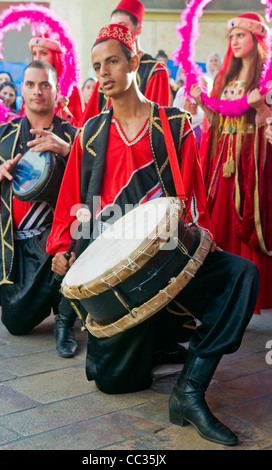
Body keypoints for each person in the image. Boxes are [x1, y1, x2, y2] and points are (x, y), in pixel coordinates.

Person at [47, 24, 259, 446]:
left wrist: (203, 235)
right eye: (96, 66)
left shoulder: (174, 124)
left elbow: (193, 196)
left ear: (134, 62)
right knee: (116, 383)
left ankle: (190, 390)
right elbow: (71, 202)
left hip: (169, 252)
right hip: (119, 271)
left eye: (111, 61)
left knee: (241, 275)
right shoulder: (89, 135)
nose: (103, 73)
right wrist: (60, 249)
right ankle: (157, 341)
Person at [0, 60, 78, 358]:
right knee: (16, 323)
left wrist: (68, 151)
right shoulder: (2, 135)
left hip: (60, 241)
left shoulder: (74, 135)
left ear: (56, 90)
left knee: (68, 257)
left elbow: (97, 183)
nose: (38, 91)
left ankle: (65, 318)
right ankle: (49, 301)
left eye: (45, 84)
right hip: (17, 244)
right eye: (31, 84)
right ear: (22, 89)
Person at [190, 12, 272, 313]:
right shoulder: (226, 78)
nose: (234, 41)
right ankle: (221, 293)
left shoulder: (267, 79)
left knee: (247, 220)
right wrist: (203, 104)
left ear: (256, 38)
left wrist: (261, 106)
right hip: (224, 159)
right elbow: (215, 123)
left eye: (241, 35)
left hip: (251, 163)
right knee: (220, 221)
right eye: (232, 36)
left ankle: (249, 296)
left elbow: (270, 124)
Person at [79, 0, 170, 126]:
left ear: (138, 29)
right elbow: (89, 120)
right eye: (113, 27)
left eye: (122, 26)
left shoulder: (155, 70)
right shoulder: (105, 70)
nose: (116, 32)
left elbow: (155, 123)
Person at [29, 33, 84, 127]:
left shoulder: (71, 89)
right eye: (34, 54)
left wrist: (64, 110)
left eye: (43, 53)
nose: (37, 58)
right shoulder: (30, 85)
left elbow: (81, 131)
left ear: (55, 57)